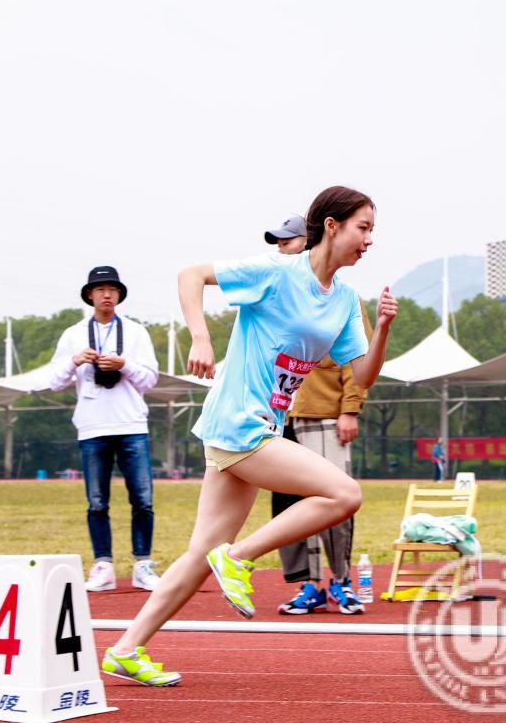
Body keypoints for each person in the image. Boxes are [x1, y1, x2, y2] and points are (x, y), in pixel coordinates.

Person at [101, 185, 396, 687]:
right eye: (363, 228)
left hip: (261, 426)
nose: (369, 240)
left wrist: (383, 327)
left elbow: (363, 374)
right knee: (344, 493)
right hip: (239, 421)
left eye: (373, 231)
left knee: (202, 552)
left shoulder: (346, 300)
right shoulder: (278, 271)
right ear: (331, 226)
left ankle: (126, 649)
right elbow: (191, 275)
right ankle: (237, 559)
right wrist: (200, 337)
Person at [264, 214, 372, 616]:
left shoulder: (340, 295)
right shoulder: (278, 292)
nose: (281, 249)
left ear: (307, 242)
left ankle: (341, 580)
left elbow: (357, 360)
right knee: (290, 505)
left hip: (323, 415)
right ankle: (308, 585)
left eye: (287, 242)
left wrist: (350, 409)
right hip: (279, 418)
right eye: (277, 244)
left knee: (335, 500)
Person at [49, 266, 162, 593]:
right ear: (90, 295)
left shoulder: (136, 332)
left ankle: (143, 564)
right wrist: (74, 361)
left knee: (143, 500)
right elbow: (54, 382)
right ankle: (103, 566)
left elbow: (151, 380)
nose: (107, 295)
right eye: (100, 290)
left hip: (131, 423)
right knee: (97, 502)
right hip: (92, 425)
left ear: (120, 295)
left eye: (112, 289)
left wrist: (124, 365)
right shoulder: (73, 334)